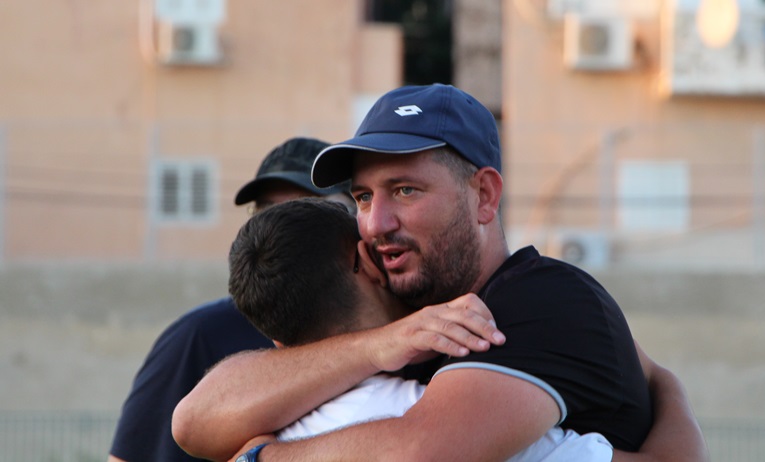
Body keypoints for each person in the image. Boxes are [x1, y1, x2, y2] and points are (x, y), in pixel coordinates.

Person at [172, 85, 709, 462]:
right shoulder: (400, 313)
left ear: (484, 195)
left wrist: (266, 457)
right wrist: (378, 345)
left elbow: (420, 452)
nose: (375, 223)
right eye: (363, 197)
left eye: (405, 190)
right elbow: (194, 421)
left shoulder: (543, 301)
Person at [225, 197, 613, 462]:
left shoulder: (261, 428)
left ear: (278, 341)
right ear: (368, 261)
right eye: (364, 198)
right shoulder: (437, 419)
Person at [108, 137, 352, 462]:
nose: (279, 228)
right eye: (266, 211)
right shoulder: (199, 337)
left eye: (303, 209)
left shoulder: (403, 333)